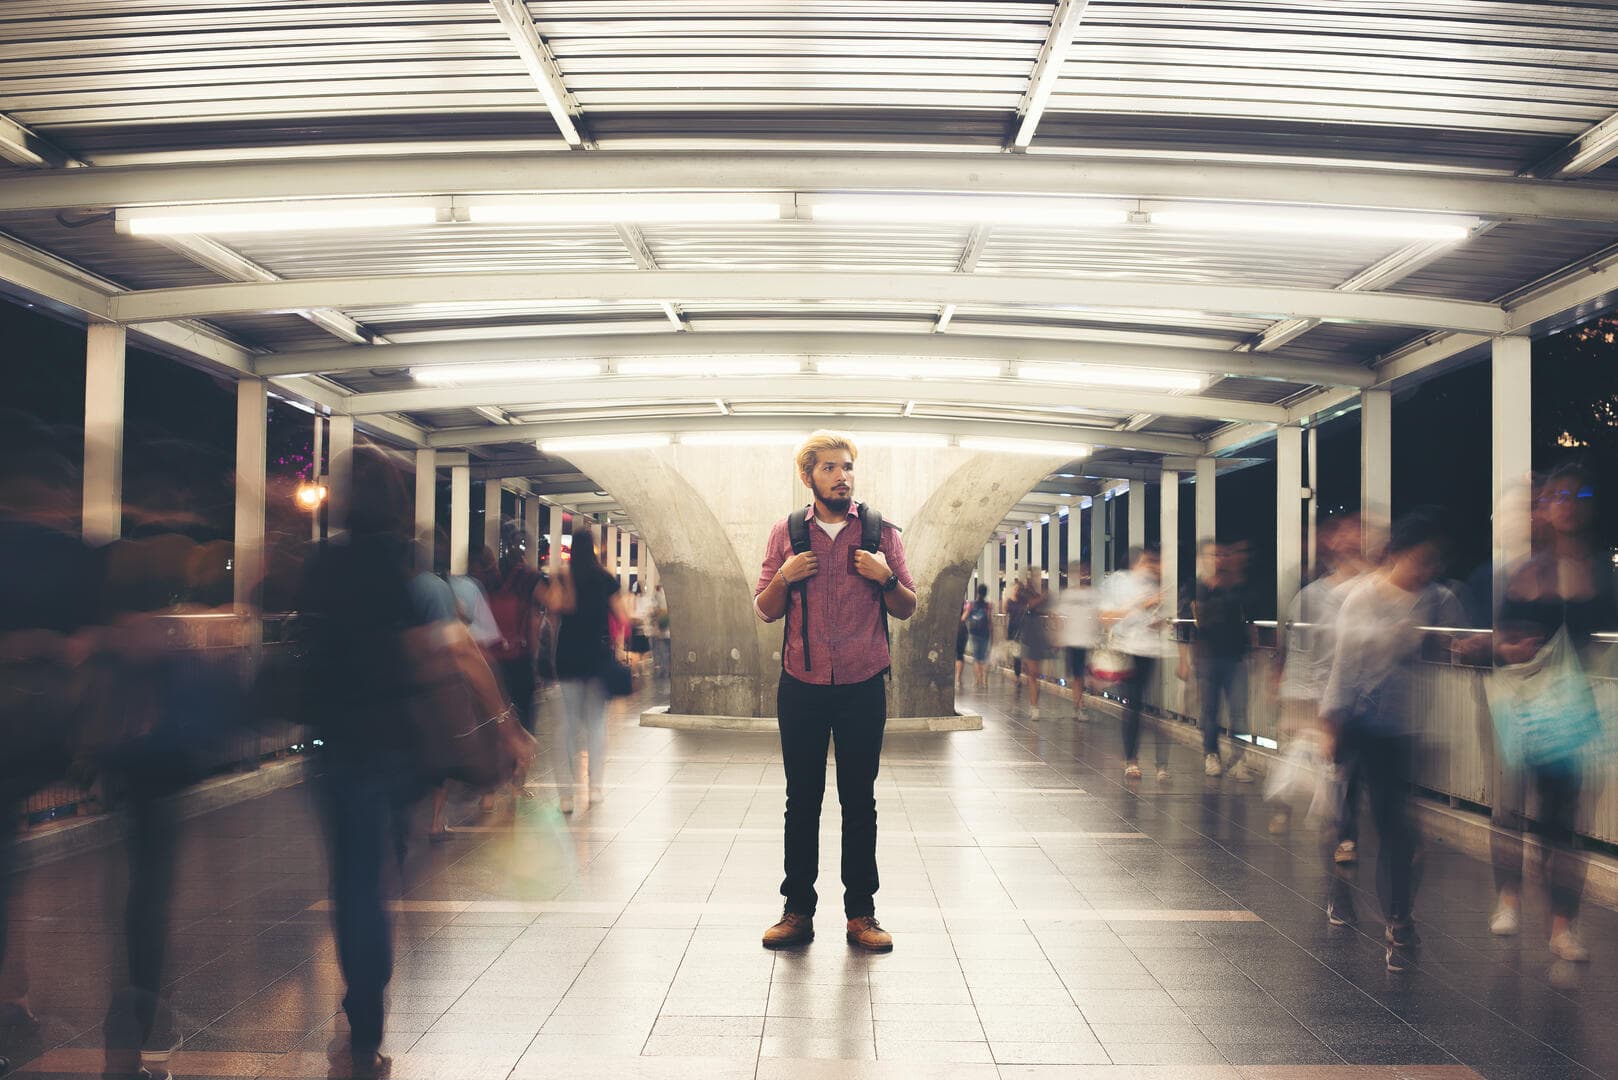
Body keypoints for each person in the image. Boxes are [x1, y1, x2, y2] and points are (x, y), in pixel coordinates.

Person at [754, 430, 917, 953]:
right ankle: (797, 910)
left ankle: (861, 915)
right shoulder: (785, 533)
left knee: (859, 801)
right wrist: (785, 574)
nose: (842, 476)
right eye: (829, 468)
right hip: (800, 683)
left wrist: (885, 577)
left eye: (846, 467)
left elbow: (908, 606)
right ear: (808, 476)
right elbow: (765, 607)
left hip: (862, 683)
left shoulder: (880, 532)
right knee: (801, 800)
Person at [296, 449, 424, 1079]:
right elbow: (426, 650)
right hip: (395, 742)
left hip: (334, 742)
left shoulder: (322, 562)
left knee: (351, 884)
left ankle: (361, 1010)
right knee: (379, 880)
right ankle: (368, 1021)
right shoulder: (404, 565)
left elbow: (305, 642)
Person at [1320, 511, 1465, 971]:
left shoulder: (1437, 598)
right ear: (1399, 555)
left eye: (1435, 562)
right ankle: (1368, 908)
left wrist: (1461, 647)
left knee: (1397, 827)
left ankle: (1398, 918)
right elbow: (1344, 666)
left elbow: (1455, 640)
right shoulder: (1362, 599)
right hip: (1360, 724)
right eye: (1421, 559)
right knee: (1361, 822)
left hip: (1406, 727)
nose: (1428, 570)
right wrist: (1332, 725)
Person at [1490, 464, 1617, 961]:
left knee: (1562, 822)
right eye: (1558, 494)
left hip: (1578, 712)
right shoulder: (1524, 570)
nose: (1568, 502)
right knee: (1513, 810)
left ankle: (1562, 926)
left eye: (1579, 493)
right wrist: (1511, 647)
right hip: (1524, 708)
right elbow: (1500, 639)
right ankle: (1509, 896)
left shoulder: (1599, 569)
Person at [1270, 515, 1366, 838]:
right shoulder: (1311, 597)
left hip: (1357, 692)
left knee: (1342, 761)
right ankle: (1342, 829)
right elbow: (1298, 648)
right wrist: (1296, 693)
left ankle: (1338, 824)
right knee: (1335, 760)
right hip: (1324, 692)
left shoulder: (1372, 591)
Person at [546, 527, 628, 813]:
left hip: (567, 657)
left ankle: (566, 796)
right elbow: (623, 616)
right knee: (595, 725)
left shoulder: (563, 577)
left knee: (567, 727)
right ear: (593, 548)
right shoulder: (604, 578)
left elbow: (557, 608)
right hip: (596, 658)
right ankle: (594, 788)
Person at [1102, 547, 1171, 782]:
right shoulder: (1118, 583)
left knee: (1155, 710)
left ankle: (1161, 765)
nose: (1155, 566)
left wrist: (1157, 620)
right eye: (1150, 561)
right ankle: (1131, 760)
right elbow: (1107, 618)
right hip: (1127, 651)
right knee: (1133, 707)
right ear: (1137, 562)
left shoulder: (1153, 584)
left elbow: (1153, 619)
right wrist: (1142, 605)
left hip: (1150, 651)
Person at [1190, 541, 1256, 781]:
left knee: (1239, 711)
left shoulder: (1236, 585)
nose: (1218, 559)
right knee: (1210, 710)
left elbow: (1248, 613)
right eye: (1212, 555)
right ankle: (1211, 754)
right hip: (1207, 657)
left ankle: (1239, 760)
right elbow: (1199, 620)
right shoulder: (1197, 587)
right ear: (1202, 559)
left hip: (1235, 657)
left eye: (1220, 554)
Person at [480, 535, 545, 738]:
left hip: (492, 662)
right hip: (519, 659)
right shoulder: (528, 578)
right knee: (524, 720)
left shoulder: (487, 579)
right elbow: (536, 622)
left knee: (496, 718)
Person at [1057, 562, 1101, 712]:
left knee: (1082, 674)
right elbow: (1060, 617)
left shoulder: (1093, 594)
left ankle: (1079, 702)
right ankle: (1078, 703)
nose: (1082, 575)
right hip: (1072, 640)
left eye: (1085, 572)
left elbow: (1098, 615)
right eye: (1079, 572)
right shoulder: (1068, 595)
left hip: (1088, 641)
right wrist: (1060, 637)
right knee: (1077, 675)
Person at [1020, 584, 1054, 716]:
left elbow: (1047, 610)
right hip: (1028, 640)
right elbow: (1030, 605)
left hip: (1037, 640)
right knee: (1033, 674)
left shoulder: (1037, 603)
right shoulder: (1024, 597)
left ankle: (1034, 705)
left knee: (1035, 675)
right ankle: (1034, 706)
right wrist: (1044, 596)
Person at [963, 584, 993, 690]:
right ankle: (985, 681)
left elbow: (964, 618)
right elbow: (989, 621)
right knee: (984, 657)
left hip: (974, 633)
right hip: (985, 634)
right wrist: (992, 635)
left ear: (977, 592)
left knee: (976, 657)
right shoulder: (988, 606)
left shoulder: (971, 605)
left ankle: (977, 680)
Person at [1004, 581, 1027, 691]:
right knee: (1016, 655)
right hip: (1013, 630)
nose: (1016, 591)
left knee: (1021, 653)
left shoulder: (1023, 601)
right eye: (1015, 589)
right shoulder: (1009, 602)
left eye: (1018, 589)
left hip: (1024, 629)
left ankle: (1023, 671)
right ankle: (1018, 675)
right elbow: (1005, 613)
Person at [649, 582, 671, 683]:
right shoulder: (657, 595)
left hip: (666, 628)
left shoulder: (658, 595)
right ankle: (665, 670)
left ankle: (666, 670)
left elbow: (654, 610)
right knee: (664, 652)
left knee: (666, 652)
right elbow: (654, 611)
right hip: (663, 628)